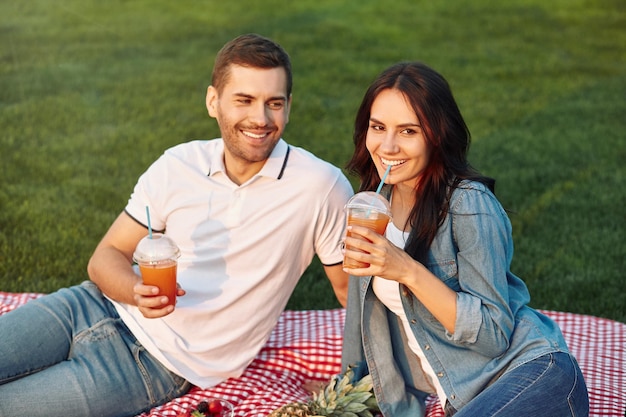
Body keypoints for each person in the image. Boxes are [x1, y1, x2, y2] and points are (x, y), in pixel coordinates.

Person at [0, 33, 353, 416]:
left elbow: (350, 293)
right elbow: (107, 256)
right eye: (244, 100)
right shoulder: (177, 165)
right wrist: (135, 290)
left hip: (152, 366)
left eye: (274, 103)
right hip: (84, 307)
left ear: (288, 108)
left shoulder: (322, 186)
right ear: (213, 102)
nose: (260, 119)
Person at [340, 62, 589, 417]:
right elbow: (360, 321)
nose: (388, 146)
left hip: (534, 374)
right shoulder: (370, 206)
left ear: (436, 136)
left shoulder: (469, 205)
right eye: (378, 127)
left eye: (408, 131)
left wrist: (407, 270)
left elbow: (493, 335)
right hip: (468, 402)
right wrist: (344, 393)